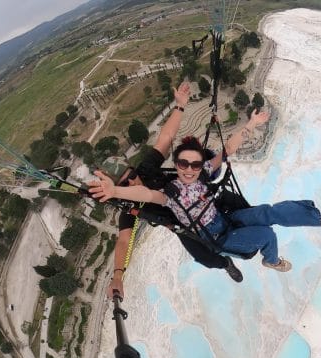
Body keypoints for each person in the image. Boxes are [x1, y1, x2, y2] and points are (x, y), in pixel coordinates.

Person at [90, 110, 321, 273]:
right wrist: (115, 191)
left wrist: (251, 124)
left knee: (272, 212)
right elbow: (146, 197)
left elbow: (226, 151)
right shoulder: (170, 193)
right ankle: (271, 261)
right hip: (213, 235)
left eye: (194, 164)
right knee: (265, 235)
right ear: (176, 165)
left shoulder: (198, 173)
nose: (188, 169)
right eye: (183, 163)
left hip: (227, 216)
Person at [103, 82, 243, 299]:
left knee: (234, 203)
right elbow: (123, 241)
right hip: (180, 223)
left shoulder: (146, 168)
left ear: (132, 169)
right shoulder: (129, 207)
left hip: (193, 191)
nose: (131, 184)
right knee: (205, 258)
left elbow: (166, 138)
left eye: (130, 176)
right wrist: (118, 276)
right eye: (123, 186)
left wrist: (180, 106)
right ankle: (225, 263)